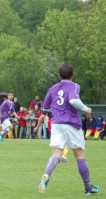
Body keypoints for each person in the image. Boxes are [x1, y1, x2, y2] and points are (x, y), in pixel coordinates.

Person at [38, 64, 100, 195]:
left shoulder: (52, 88)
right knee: (80, 155)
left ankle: (46, 175)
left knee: (57, 154)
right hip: (71, 123)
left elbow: (46, 108)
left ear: (59, 75)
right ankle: (88, 187)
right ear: (73, 74)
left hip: (56, 124)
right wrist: (86, 109)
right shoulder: (74, 86)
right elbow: (73, 100)